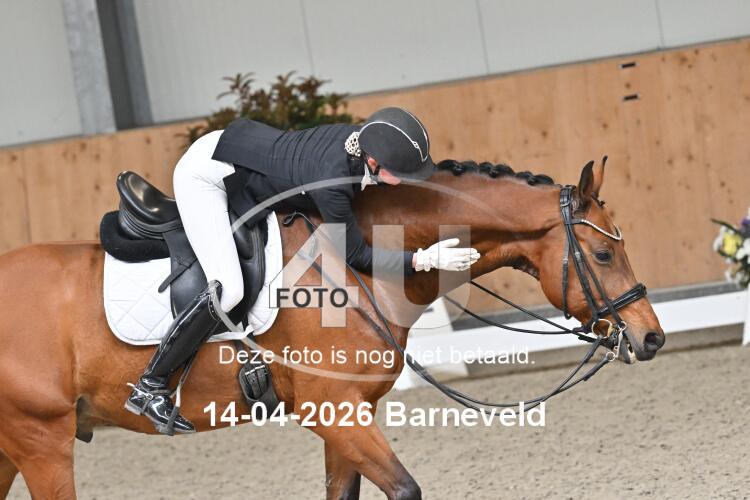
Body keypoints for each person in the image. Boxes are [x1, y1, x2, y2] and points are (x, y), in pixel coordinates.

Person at [125, 107, 480, 434]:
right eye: (399, 175)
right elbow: (355, 254)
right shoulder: (333, 181)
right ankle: (150, 385)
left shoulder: (359, 142)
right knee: (229, 288)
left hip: (240, 152)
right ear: (372, 161)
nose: (403, 181)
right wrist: (422, 260)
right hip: (207, 175)